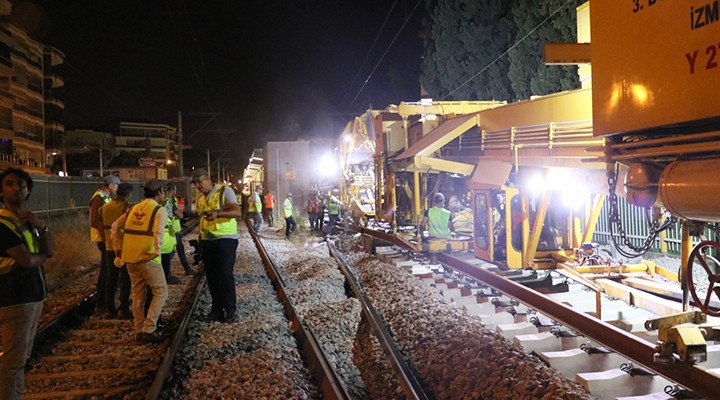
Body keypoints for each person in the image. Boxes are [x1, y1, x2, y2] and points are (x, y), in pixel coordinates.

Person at [0, 168, 54, 399]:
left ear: (28, 189)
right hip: (15, 297)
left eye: (21, 184)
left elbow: (49, 249)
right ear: (1, 191)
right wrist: (43, 258)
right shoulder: (3, 224)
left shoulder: (27, 220)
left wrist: (42, 226)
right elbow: (26, 259)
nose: (16, 187)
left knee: (21, 357)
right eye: (9, 184)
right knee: (13, 360)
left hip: (32, 295)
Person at [111, 179, 169, 344]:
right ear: (159, 192)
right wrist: (155, 252)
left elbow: (115, 227)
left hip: (130, 259)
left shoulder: (133, 208)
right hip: (148, 258)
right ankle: (149, 329)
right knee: (161, 292)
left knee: (138, 294)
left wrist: (118, 249)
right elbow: (158, 234)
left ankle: (139, 330)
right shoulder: (159, 210)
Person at [191, 168, 241, 323]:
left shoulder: (225, 191)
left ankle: (230, 310)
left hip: (226, 239)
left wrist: (218, 214)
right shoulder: (200, 198)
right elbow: (201, 219)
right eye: (195, 183)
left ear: (207, 178)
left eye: (199, 182)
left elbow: (237, 212)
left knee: (225, 274)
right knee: (212, 277)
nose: (198, 186)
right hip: (207, 240)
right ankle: (217, 310)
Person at [99, 182, 134, 320]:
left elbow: (100, 226)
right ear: (127, 195)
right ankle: (123, 309)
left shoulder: (103, 208)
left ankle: (109, 309)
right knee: (125, 279)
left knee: (111, 278)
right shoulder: (127, 208)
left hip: (109, 247)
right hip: (123, 247)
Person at [90, 174, 120, 314]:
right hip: (103, 240)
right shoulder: (98, 199)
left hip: (106, 239)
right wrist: (106, 237)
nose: (117, 188)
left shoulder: (104, 198)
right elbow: (94, 221)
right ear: (110, 186)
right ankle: (101, 303)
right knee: (106, 272)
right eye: (116, 185)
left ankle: (103, 302)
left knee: (108, 271)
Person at [160, 183, 183, 285]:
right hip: (169, 233)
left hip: (162, 233)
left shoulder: (158, 202)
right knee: (168, 256)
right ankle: (166, 277)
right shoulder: (169, 203)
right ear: (171, 190)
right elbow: (179, 215)